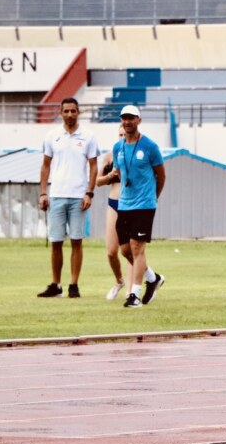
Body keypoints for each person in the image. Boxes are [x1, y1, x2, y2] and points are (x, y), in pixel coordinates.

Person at [37, 97, 99, 298]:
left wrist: (89, 193)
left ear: (78, 112)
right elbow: (46, 165)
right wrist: (44, 192)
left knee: (76, 241)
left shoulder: (88, 136)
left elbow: (93, 166)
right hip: (57, 195)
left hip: (78, 197)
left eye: (73, 111)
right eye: (66, 111)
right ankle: (56, 284)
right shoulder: (52, 136)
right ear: (60, 112)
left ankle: (74, 284)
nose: (70, 115)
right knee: (56, 241)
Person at [113, 105, 166, 308]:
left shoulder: (150, 146)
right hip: (124, 204)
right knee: (125, 250)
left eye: (131, 118)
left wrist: (154, 197)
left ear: (139, 120)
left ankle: (133, 295)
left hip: (144, 204)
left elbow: (161, 175)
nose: (127, 122)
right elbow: (120, 173)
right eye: (124, 118)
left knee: (137, 248)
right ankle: (153, 278)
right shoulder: (118, 147)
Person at [95, 126, 127, 300]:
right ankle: (119, 281)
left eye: (125, 134)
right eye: (119, 135)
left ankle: (135, 287)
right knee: (111, 251)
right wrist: (110, 175)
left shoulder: (138, 152)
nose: (122, 137)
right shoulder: (110, 155)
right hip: (114, 202)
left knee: (130, 250)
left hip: (131, 204)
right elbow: (98, 181)